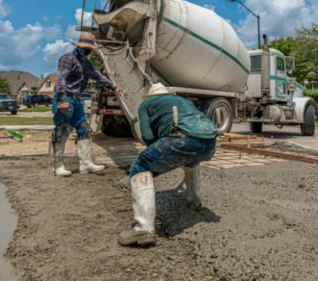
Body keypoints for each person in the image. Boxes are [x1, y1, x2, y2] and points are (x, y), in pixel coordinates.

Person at [118, 83, 218, 247]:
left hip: (182, 140)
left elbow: (147, 135)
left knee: (139, 167)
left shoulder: (146, 104)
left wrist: (161, 151)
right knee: (191, 162)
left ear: (151, 96)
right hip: (209, 144)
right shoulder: (183, 100)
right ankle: (195, 202)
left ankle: (144, 228)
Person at [51, 33, 122, 177]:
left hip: (77, 100)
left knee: (85, 129)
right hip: (66, 98)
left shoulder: (86, 63)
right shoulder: (68, 58)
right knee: (63, 130)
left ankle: (85, 164)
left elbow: (97, 76)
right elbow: (60, 78)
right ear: (79, 46)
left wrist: (114, 87)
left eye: (90, 48)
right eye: (86, 48)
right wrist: (63, 99)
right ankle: (58, 166)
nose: (88, 50)